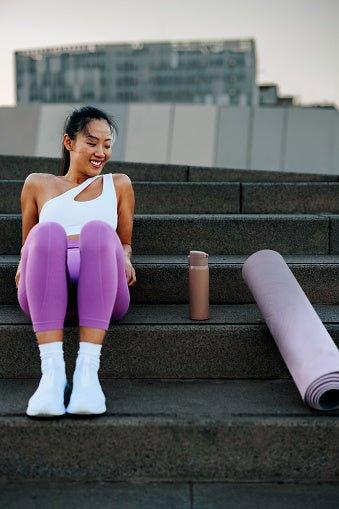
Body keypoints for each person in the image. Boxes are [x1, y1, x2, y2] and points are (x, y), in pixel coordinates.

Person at [15, 105, 136, 417]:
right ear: (69, 142)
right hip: (45, 294)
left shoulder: (118, 184)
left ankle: (86, 373)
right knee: (47, 232)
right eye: (92, 143)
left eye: (107, 145)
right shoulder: (37, 184)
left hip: (103, 293)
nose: (101, 152)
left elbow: (124, 242)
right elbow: (27, 243)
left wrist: (125, 257)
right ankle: (52, 374)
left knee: (97, 231)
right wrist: (21, 268)